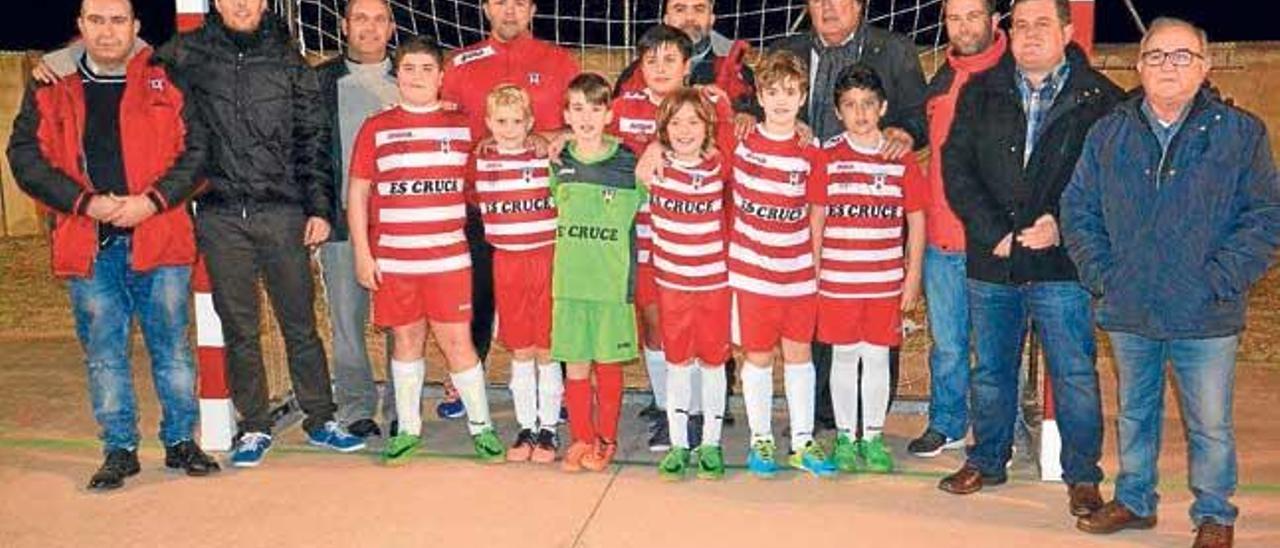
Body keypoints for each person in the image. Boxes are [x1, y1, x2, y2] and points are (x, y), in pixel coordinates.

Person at [1064, 18, 1280, 548]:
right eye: (1156, 55)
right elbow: (1078, 209)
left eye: (1182, 56)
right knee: (1135, 413)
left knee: (1209, 423)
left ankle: (1214, 513)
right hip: (1130, 305)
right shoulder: (1108, 131)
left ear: (1205, 66)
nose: (1168, 66)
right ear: (1138, 65)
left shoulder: (1240, 132)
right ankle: (1135, 500)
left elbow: (1266, 216)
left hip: (1204, 311)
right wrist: (1104, 276)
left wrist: (1220, 279)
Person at [7, 0, 219, 490]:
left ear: (136, 27)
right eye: (96, 20)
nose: (107, 31)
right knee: (104, 352)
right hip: (89, 242)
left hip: (158, 235)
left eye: (118, 20)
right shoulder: (51, 84)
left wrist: (154, 200)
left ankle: (180, 441)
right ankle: (119, 448)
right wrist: (85, 204)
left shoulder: (169, 76)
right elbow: (25, 158)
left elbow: (200, 151)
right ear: (80, 26)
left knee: (173, 348)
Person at [154, 0, 363, 466]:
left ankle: (320, 417)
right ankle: (253, 425)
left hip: (282, 212)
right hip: (221, 214)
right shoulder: (188, 52)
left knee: (299, 323)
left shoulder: (288, 58)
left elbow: (313, 139)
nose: (242, 4)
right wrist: (62, 58)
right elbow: (126, 60)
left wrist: (319, 208)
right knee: (239, 327)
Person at [937, 0, 1120, 520]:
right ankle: (988, 459)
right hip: (993, 261)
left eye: (1044, 24)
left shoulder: (1101, 100)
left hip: (1063, 266)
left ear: (1066, 30)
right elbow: (957, 165)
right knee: (991, 371)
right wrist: (991, 231)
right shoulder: (981, 91)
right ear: (1008, 33)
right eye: (1022, 25)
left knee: (1075, 374)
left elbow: (1109, 182)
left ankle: (1082, 475)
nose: (1031, 34)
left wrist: (1063, 226)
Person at [770, 0, 928, 431]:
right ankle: (824, 419)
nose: (828, 7)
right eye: (818, 0)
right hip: (803, 206)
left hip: (873, 212)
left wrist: (904, 133)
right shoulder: (786, 49)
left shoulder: (894, 49)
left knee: (875, 342)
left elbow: (919, 115)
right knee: (818, 320)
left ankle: (867, 425)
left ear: (859, 5)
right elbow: (758, 99)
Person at [347, 37, 506, 466]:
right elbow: (358, 193)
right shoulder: (376, 128)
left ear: (441, 76)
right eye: (409, 69)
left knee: (458, 342)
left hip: (448, 260)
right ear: (397, 75)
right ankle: (408, 429)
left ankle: (482, 428)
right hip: (396, 260)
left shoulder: (465, 125)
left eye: (426, 69)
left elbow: (501, 156)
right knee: (407, 339)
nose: (417, 77)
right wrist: (363, 253)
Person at [438, 0, 583, 419]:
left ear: (533, 9)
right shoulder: (461, 63)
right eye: (500, 2)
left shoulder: (558, 60)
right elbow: (444, 125)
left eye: (519, 2)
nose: (509, 10)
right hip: (478, 205)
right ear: (485, 8)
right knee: (476, 296)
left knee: (547, 300)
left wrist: (550, 135)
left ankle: (555, 392)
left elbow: (584, 123)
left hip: (541, 211)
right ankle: (465, 379)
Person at [727, 50, 835, 479]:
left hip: (796, 274)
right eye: (772, 91)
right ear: (759, 94)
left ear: (804, 96)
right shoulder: (741, 141)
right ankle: (761, 439)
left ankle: (803, 439)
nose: (782, 100)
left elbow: (817, 214)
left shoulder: (812, 152)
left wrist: (812, 268)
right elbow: (697, 116)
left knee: (799, 354)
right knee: (756, 356)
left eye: (791, 92)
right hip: (752, 270)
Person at [816, 64, 927, 475]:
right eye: (850, 105)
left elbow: (916, 220)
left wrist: (912, 279)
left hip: (884, 283)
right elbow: (816, 217)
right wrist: (814, 272)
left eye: (867, 104)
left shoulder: (899, 160)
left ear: (882, 107)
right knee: (844, 357)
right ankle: (846, 437)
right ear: (838, 111)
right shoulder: (828, 157)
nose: (860, 113)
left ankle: (874, 436)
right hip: (838, 281)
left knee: (877, 358)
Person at [908, 0, 1007, 459]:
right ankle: (946, 423)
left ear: (994, 20)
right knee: (947, 345)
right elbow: (919, 137)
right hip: (942, 240)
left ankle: (993, 435)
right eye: (954, 17)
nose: (964, 26)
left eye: (973, 16)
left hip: (994, 243)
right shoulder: (942, 79)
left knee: (992, 351)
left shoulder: (1013, 74)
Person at [551, 73, 646, 474]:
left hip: (611, 287)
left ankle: (606, 438)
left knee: (607, 365)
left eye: (595, 108)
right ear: (566, 114)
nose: (586, 116)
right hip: (570, 285)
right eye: (577, 108)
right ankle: (581, 437)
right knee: (575, 366)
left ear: (610, 114)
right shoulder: (557, 161)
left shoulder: (631, 162)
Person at [315, 0, 400, 439]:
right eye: (360, 18)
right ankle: (356, 405)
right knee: (347, 319)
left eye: (379, 18)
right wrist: (315, 209)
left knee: (402, 320)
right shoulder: (320, 82)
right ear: (344, 25)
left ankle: (403, 404)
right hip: (342, 221)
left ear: (391, 26)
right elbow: (307, 153)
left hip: (402, 223)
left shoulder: (411, 75)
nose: (369, 27)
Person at [609, 24, 693, 453]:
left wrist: (663, 144)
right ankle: (667, 404)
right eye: (651, 60)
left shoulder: (707, 105)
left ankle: (689, 412)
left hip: (689, 239)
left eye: (670, 60)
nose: (660, 68)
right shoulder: (621, 108)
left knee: (683, 326)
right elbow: (595, 144)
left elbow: (722, 156)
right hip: (637, 235)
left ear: (687, 65)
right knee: (652, 325)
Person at [471, 84, 563, 463]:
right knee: (521, 349)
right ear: (489, 123)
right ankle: (526, 426)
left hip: (545, 257)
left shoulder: (546, 157)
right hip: (506, 261)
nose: (509, 129)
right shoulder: (483, 160)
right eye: (501, 121)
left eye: (516, 121)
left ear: (530, 123)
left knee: (547, 347)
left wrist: (550, 140)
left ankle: (550, 429)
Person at [648, 87, 736, 481]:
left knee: (714, 364)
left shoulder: (719, 166)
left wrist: (727, 105)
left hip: (715, 283)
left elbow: (736, 138)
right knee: (678, 364)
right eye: (676, 122)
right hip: (672, 285)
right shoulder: (652, 168)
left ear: (707, 127)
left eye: (694, 121)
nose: (685, 130)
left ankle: (711, 444)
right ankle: (680, 444)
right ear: (663, 128)